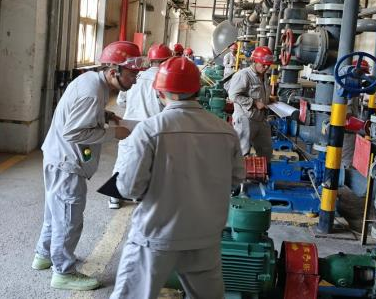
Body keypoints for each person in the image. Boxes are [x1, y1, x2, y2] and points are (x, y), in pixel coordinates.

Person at [110, 56, 245, 299]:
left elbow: (129, 188)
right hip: (204, 236)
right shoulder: (226, 131)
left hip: (156, 236)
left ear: (160, 92)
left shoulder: (150, 129)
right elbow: (236, 180)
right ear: (197, 90)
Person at [32, 40, 147, 291]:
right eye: (131, 74)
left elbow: (80, 111)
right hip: (67, 162)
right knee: (69, 219)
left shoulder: (95, 83)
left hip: (57, 157)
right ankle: (63, 272)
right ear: (114, 71)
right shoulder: (93, 91)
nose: (135, 79)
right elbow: (73, 132)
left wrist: (106, 116)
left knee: (55, 212)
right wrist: (114, 133)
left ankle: (44, 255)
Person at [110, 43, 173, 209]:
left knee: (123, 160)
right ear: (167, 60)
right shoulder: (165, 79)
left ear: (150, 60)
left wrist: (135, 106)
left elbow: (121, 102)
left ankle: (114, 198)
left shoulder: (134, 75)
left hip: (128, 125)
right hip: (153, 128)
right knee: (149, 163)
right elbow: (168, 106)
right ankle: (140, 195)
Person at [227, 45, 274, 158]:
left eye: (268, 65)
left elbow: (259, 93)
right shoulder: (243, 75)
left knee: (266, 152)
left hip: (260, 118)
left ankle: (264, 168)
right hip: (245, 119)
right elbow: (233, 96)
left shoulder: (264, 76)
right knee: (242, 153)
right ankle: (241, 169)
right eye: (263, 65)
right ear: (254, 61)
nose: (266, 68)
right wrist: (254, 102)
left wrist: (269, 99)